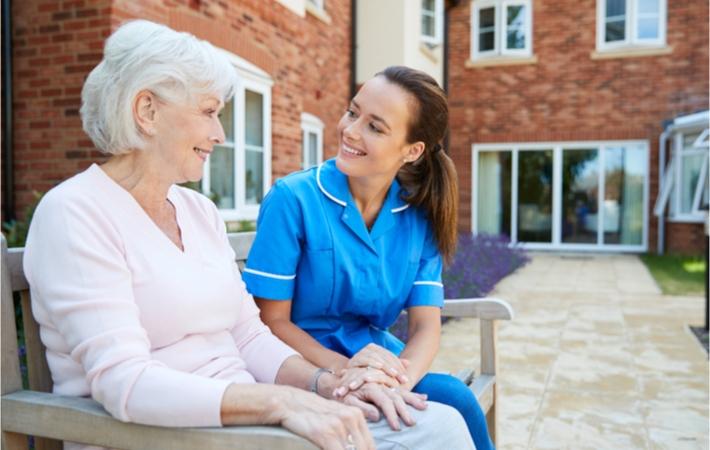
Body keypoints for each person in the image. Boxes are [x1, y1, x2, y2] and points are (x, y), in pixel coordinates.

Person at [22, 21, 475, 450]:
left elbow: (249, 336)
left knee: (441, 422)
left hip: (244, 418)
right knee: (432, 434)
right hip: (160, 435)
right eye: (209, 112)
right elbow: (125, 383)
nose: (221, 134)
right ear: (147, 111)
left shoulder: (197, 211)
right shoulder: (75, 213)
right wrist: (282, 402)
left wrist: (326, 385)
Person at [243, 66, 495, 450]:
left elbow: (427, 326)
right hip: (299, 368)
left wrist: (395, 384)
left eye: (375, 127)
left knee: (456, 398)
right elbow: (270, 320)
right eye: (352, 112)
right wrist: (349, 374)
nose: (351, 130)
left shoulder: (417, 217)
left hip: (376, 366)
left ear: (412, 151)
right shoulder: (292, 199)